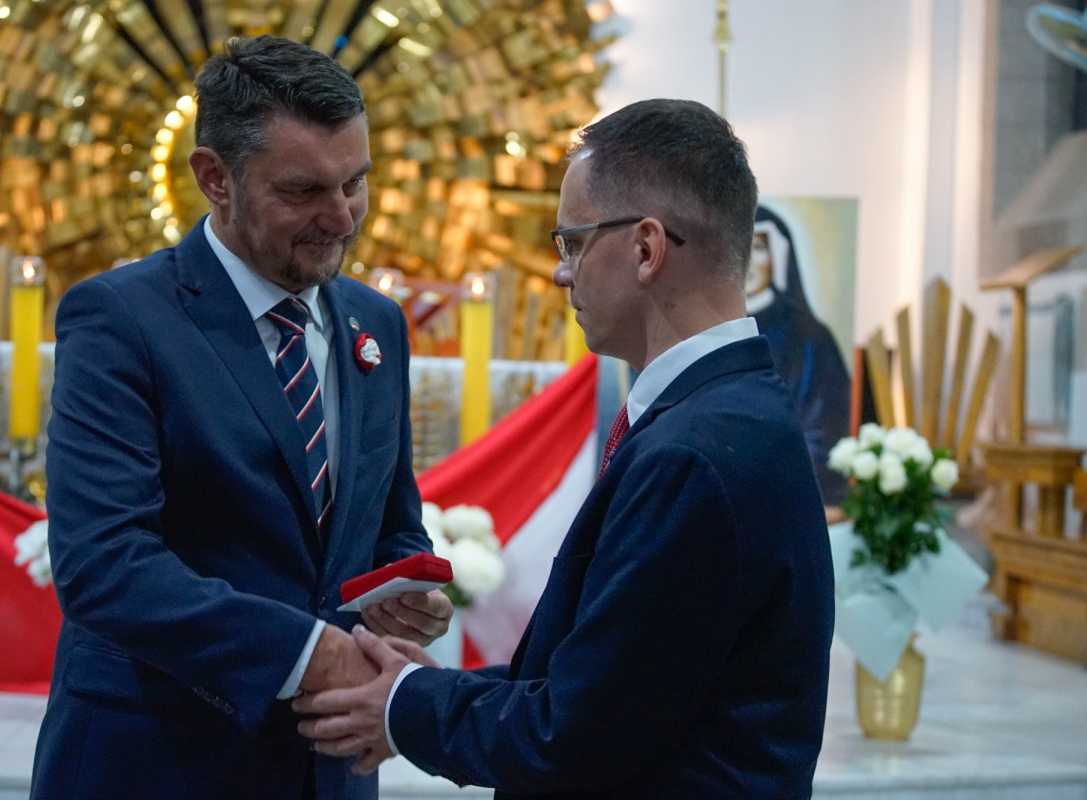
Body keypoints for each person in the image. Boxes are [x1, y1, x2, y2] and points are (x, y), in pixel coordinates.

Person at [296, 99, 836, 798]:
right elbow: (622, 687)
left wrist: (406, 706)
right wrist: (430, 691)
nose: (561, 272)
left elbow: (576, 737)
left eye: (573, 242)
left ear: (646, 249)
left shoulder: (694, 455)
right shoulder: (727, 414)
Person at [29, 36, 452, 800]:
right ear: (214, 177)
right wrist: (309, 653)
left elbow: (389, 522)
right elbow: (104, 566)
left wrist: (401, 588)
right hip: (161, 760)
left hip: (330, 766)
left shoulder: (377, 323)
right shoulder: (122, 319)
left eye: (356, 182)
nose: (341, 218)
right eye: (303, 190)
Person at [747, 204, 852, 509]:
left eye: (757, 248)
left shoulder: (809, 338)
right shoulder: (709, 334)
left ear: (778, 257)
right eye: (739, 249)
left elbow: (826, 434)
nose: (747, 261)